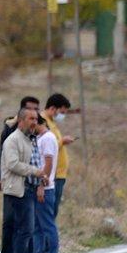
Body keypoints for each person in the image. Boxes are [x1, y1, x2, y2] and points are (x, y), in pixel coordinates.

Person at [0, 107, 48, 253]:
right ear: (21, 121)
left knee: (28, 227)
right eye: (31, 118)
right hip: (17, 190)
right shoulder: (13, 140)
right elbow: (12, 164)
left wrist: (40, 179)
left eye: (36, 119)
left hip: (29, 189)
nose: (34, 122)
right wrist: (35, 171)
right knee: (24, 227)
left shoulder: (29, 139)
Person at [0, 95, 39, 253]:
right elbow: (3, 156)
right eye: (30, 110)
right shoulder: (10, 130)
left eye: (36, 109)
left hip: (29, 183)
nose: (34, 114)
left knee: (27, 224)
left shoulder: (36, 127)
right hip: (13, 181)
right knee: (10, 220)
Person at [41, 93, 76, 231]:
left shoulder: (52, 123)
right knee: (49, 212)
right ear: (53, 108)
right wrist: (62, 141)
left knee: (53, 211)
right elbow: (48, 146)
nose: (62, 115)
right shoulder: (43, 122)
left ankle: (50, 247)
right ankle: (47, 248)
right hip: (52, 174)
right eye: (62, 112)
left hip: (59, 173)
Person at [31, 112, 61, 253]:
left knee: (47, 224)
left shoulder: (47, 139)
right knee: (37, 225)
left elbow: (47, 163)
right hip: (40, 187)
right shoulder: (41, 138)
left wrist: (42, 185)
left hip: (46, 188)